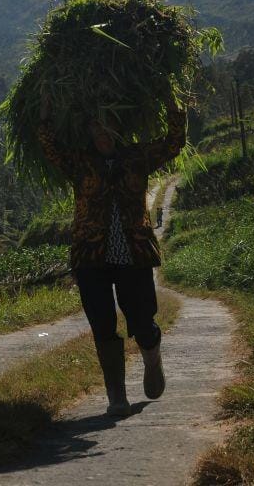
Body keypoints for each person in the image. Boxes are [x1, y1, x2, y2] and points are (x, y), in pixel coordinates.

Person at [38, 94, 186, 416]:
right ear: (89, 132)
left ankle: (152, 359)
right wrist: (45, 116)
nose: (103, 135)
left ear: (120, 128)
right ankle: (116, 396)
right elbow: (50, 150)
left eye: (108, 128)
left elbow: (175, 142)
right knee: (102, 324)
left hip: (133, 253)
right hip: (92, 256)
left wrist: (173, 105)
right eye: (96, 129)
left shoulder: (137, 157)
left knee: (142, 321)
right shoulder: (80, 162)